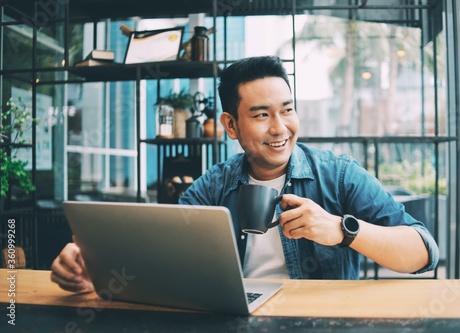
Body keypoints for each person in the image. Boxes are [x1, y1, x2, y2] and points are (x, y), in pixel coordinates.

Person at [51, 56, 439, 293]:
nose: (280, 128)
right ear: (231, 126)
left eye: (287, 110)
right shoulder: (214, 186)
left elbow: (423, 253)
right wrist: (93, 270)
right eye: (261, 115)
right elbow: (163, 260)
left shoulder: (338, 176)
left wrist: (341, 230)